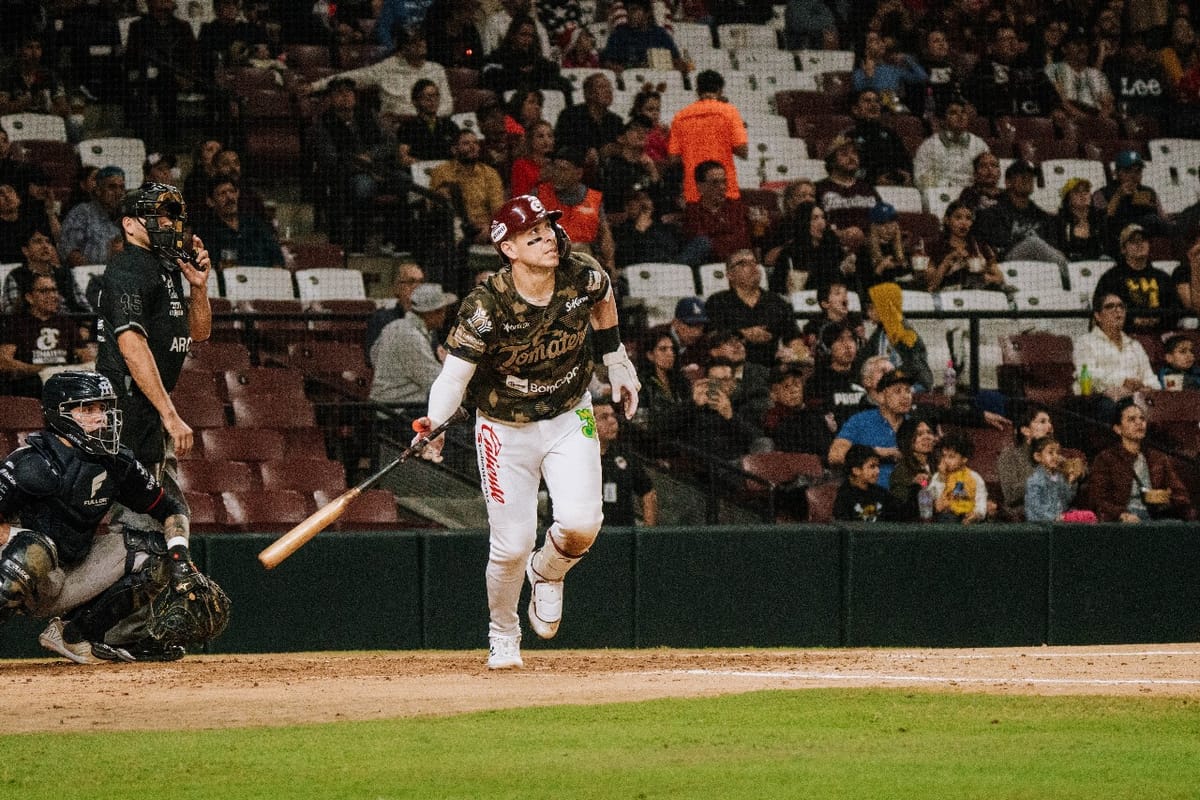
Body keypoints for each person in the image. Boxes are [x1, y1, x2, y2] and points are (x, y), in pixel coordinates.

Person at [410, 194, 639, 670]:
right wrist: (433, 424)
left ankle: (548, 572)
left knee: (582, 524)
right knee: (511, 545)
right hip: (503, 428)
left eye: (548, 229)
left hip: (567, 414)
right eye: (531, 234)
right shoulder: (485, 305)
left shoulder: (582, 272)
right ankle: (503, 633)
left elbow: (603, 299)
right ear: (508, 248)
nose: (547, 238)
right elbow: (453, 377)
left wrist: (616, 358)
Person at [0, 371, 202, 664]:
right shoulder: (32, 462)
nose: (101, 417)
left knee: (158, 553)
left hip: (68, 575)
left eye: (103, 408)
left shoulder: (118, 462)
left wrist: (180, 556)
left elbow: (170, 509)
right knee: (34, 550)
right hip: (24, 573)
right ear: (60, 414)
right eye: (87, 409)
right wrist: (17, 543)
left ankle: (73, 635)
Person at [92, 181, 213, 613]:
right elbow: (131, 345)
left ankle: (134, 624)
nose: (171, 223)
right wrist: (170, 414)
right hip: (126, 412)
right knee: (139, 525)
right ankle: (93, 626)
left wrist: (198, 286)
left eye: (174, 215)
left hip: (146, 415)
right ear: (130, 224)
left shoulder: (164, 268)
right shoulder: (128, 268)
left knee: (162, 519)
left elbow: (199, 332)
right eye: (160, 215)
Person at [307, 77, 405, 252]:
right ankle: (359, 242)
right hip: (347, 175)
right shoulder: (322, 124)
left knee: (405, 181)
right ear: (330, 98)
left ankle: (396, 241)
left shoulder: (369, 115)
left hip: (379, 169)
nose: (345, 96)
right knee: (364, 187)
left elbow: (390, 143)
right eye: (339, 93)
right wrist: (363, 165)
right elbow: (330, 157)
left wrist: (370, 157)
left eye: (349, 92)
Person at [306, 25, 451, 123]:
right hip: (397, 123)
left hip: (430, 123)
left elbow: (447, 104)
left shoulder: (436, 69)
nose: (421, 44)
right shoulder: (387, 67)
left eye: (422, 40)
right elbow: (353, 76)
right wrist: (314, 86)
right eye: (414, 41)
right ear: (402, 48)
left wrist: (427, 117)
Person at [1084, 398, 1190, 522]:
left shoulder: (1158, 458)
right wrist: (1122, 514)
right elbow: (1097, 500)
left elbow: (1181, 495)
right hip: (1125, 518)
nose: (1139, 423)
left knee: (1177, 525)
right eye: (1131, 419)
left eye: (1142, 419)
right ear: (1118, 429)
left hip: (1156, 517)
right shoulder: (1106, 459)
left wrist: (1166, 499)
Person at [1072, 291, 1161, 424]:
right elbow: (1088, 374)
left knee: (1159, 404)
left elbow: (1149, 376)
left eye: (1121, 306)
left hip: (1136, 398)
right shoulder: (1085, 342)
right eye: (1110, 307)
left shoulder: (1135, 345)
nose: (1117, 310)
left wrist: (1148, 387)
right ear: (1098, 316)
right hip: (1100, 399)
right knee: (1113, 407)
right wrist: (1122, 381)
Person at [705, 249, 798, 369]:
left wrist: (796, 351)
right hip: (730, 368)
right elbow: (710, 337)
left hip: (770, 368)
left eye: (754, 262)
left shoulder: (777, 302)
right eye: (743, 264)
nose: (752, 267)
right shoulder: (718, 301)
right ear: (729, 275)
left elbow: (793, 337)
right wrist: (742, 334)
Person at [0, 274, 92, 397]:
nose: (53, 296)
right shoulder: (16, 324)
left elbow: (88, 359)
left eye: (54, 290)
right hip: (29, 387)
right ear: (30, 298)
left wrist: (66, 371)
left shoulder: (66, 323)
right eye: (44, 291)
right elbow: (4, 363)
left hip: (65, 386)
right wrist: (44, 370)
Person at [668, 70, 749, 206]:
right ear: (720, 90)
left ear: (698, 90)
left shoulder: (680, 116)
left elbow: (673, 158)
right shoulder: (729, 111)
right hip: (724, 191)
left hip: (694, 192)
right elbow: (743, 151)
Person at [123, 0, 197, 149]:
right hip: (146, 76)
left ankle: (171, 139)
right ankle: (144, 142)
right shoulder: (138, 27)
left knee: (166, 83)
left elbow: (193, 57)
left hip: (176, 77)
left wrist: (186, 75)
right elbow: (131, 57)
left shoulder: (183, 27)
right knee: (143, 91)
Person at [369, 283, 457, 406]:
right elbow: (438, 384)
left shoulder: (394, 326)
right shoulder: (412, 336)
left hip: (388, 405)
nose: (444, 316)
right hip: (398, 410)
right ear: (431, 313)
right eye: (441, 311)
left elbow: (374, 355)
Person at [535, 145, 616, 276]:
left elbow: (605, 234)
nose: (556, 174)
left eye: (563, 170)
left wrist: (610, 262)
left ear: (578, 173)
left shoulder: (594, 199)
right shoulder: (539, 195)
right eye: (555, 168)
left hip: (584, 263)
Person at [827, 368, 914, 489]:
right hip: (869, 496)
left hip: (909, 493)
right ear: (881, 396)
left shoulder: (916, 425)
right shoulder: (860, 421)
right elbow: (834, 456)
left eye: (908, 391)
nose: (906, 396)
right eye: (898, 391)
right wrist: (876, 453)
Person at [973, 160, 1068, 269]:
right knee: (1033, 244)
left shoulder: (1044, 217)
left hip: (1041, 271)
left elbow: (1055, 248)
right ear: (1008, 182)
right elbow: (991, 250)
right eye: (1021, 175)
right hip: (1007, 267)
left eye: (1031, 176)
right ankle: (1070, 279)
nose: (1027, 178)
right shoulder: (991, 215)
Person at [1094, 224, 1183, 333]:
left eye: (1143, 240)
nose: (1139, 244)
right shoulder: (1111, 278)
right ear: (1123, 249)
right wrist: (1132, 321)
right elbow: (1102, 311)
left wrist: (1157, 320)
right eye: (1133, 241)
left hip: (1159, 335)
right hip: (1124, 335)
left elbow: (1175, 309)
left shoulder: (1162, 277)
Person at [429, 130, 507, 247]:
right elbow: (432, 206)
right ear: (454, 149)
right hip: (454, 227)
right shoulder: (442, 172)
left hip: (484, 228)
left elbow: (498, 210)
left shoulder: (490, 173)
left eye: (475, 143)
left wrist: (489, 228)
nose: (472, 147)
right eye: (466, 143)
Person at [193, 177, 285, 270]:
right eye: (222, 193)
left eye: (232, 191)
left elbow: (277, 257)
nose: (229, 197)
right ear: (210, 202)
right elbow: (206, 266)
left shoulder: (255, 225)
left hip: (264, 280)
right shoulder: (206, 231)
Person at [857, 282, 933, 391]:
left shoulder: (907, 335)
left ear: (884, 307)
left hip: (913, 387)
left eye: (871, 308)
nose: (868, 313)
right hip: (888, 387)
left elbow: (916, 370)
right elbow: (864, 360)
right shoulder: (880, 333)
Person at [594, 395, 657, 527]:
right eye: (604, 417)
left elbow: (647, 491)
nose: (612, 421)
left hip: (622, 535)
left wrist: (648, 532)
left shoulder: (624, 454)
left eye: (613, 415)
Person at [1092, 151, 1169, 255]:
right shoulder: (1101, 193)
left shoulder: (1149, 192)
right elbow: (1100, 222)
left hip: (1147, 242)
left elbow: (1162, 219)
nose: (1133, 176)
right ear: (1116, 173)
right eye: (1128, 171)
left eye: (1138, 171)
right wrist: (1118, 196)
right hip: (1116, 244)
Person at [765, 202, 851, 295]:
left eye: (823, 217)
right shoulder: (790, 252)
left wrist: (845, 271)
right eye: (815, 218)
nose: (821, 222)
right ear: (803, 222)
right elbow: (776, 289)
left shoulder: (833, 248)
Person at [3, 227, 90, 316]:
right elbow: (10, 314)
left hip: (67, 325)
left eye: (48, 242)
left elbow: (85, 307)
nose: (45, 246)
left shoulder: (64, 274)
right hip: (31, 325)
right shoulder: (17, 276)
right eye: (38, 241)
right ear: (25, 251)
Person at [814, 137, 881, 252]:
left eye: (854, 152)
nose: (851, 157)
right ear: (832, 160)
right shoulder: (819, 188)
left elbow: (884, 220)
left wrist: (866, 237)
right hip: (831, 250)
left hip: (869, 249)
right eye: (844, 153)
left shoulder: (867, 188)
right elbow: (811, 223)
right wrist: (840, 234)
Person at [923, 200, 1005, 293]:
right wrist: (947, 261)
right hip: (947, 297)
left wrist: (982, 273)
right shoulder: (936, 246)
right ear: (947, 220)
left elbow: (999, 278)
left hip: (977, 294)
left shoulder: (979, 245)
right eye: (958, 218)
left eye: (968, 218)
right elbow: (931, 285)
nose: (964, 223)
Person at [681, 160, 753, 264]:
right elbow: (703, 245)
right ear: (700, 187)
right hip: (708, 267)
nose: (722, 187)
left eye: (724, 181)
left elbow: (743, 241)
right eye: (715, 183)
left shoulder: (736, 207)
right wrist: (728, 235)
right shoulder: (693, 211)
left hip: (740, 264)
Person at [912, 97, 991, 191]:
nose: (960, 116)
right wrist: (945, 186)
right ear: (944, 120)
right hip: (941, 194)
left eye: (963, 112)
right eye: (953, 113)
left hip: (973, 195)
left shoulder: (980, 145)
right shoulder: (929, 145)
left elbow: (988, 174)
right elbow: (920, 177)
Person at [842, 88, 914, 187]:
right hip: (866, 188)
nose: (874, 105)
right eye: (867, 101)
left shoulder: (890, 133)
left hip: (897, 187)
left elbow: (906, 160)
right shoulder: (849, 136)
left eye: (877, 101)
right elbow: (848, 169)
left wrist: (906, 174)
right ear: (855, 110)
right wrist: (873, 179)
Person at [553, 72, 624, 169]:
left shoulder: (616, 121)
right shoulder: (570, 116)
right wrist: (587, 154)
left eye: (610, 87)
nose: (609, 90)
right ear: (588, 93)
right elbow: (560, 147)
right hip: (576, 168)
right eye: (602, 87)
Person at [58, 165, 125, 268]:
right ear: (98, 191)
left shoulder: (126, 217)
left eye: (121, 187)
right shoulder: (83, 213)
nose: (118, 192)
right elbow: (70, 252)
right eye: (112, 187)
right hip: (88, 278)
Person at [996, 405, 1055, 521]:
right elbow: (1011, 496)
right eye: (1042, 422)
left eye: (1050, 421)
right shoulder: (1009, 455)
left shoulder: (1055, 455)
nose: (1050, 426)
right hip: (1022, 518)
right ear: (1026, 431)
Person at [762, 363, 833, 456]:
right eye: (786, 386)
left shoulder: (818, 409)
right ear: (774, 395)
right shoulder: (772, 419)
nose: (793, 391)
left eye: (796, 384)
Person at [1045, 29, 1116, 121]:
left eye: (1085, 44)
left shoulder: (1097, 74)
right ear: (1064, 49)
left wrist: (1102, 117)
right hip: (1068, 121)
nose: (1082, 47)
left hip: (1097, 122)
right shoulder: (1054, 69)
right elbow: (1061, 102)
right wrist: (1086, 120)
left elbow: (1108, 104)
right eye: (1077, 44)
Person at [806, 321, 867, 425]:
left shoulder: (865, 377)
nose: (848, 345)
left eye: (851, 339)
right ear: (828, 348)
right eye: (840, 339)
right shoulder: (817, 381)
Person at [366, 262, 425, 362]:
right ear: (396, 288)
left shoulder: (428, 317)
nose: (417, 287)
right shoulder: (381, 319)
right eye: (411, 282)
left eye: (421, 282)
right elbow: (371, 359)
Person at [600, 0, 683, 70]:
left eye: (634, 10)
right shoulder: (619, 35)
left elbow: (676, 60)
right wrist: (626, 71)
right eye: (628, 11)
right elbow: (606, 63)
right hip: (630, 81)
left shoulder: (660, 34)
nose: (630, 14)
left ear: (647, 13)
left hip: (659, 79)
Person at [926, 431, 987, 524]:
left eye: (951, 457)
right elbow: (932, 497)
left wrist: (977, 514)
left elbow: (981, 500)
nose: (946, 460)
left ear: (964, 458)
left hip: (968, 516)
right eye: (944, 456)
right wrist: (942, 479)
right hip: (946, 516)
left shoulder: (975, 477)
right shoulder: (938, 476)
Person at [855, 202, 913, 295]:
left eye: (891, 223)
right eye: (883, 224)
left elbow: (911, 279)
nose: (889, 228)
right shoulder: (864, 251)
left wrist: (920, 273)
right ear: (874, 227)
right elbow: (866, 288)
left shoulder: (904, 248)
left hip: (907, 297)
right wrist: (881, 267)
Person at [1024, 435, 1086, 522]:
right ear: (1038, 456)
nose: (1055, 456)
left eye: (1057, 453)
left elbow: (1067, 499)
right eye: (1051, 453)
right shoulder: (1035, 480)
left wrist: (1070, 481)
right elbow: (1035, 508)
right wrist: (1054, 518)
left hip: (1059, 521)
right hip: (1041, 524)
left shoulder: (1060, 477)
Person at [888, 416, 938, 521]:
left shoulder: (941, 465)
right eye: (919, 434)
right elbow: (899, 502)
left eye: (929, 432)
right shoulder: (901, 470)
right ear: (908, 440)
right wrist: (914, 484)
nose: (927, 437)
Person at [396, 79, 460, 162]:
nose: (432, 100)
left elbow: (459, 153)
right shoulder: (407, 127)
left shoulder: (450, 125)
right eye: (427, 96)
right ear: (415, 101)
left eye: (436, 95)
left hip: (447, 171)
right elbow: (404, 157)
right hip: (420, 171)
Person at [1053, 177, 1107, 263]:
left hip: (1097, 264)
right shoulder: (1060, 221)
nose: (1082, 194)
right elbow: (1057, 251)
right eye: (1077, 192)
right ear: (1068, 198)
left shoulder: (1099, 218)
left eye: (1086, 191)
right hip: (1071, 266)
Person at [833, 443, 891, 522]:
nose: (878, 471)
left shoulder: (881, 494)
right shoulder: (844, 496)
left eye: (878, 466)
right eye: (872, 467)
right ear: (856, 470)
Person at [510, 120, 555, 197]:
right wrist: (541, 181)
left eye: (550, 136)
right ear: (531, 140)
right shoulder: (521, 165)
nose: (546, 141)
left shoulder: (556, 164)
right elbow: (520, 197)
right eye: (540, 136)